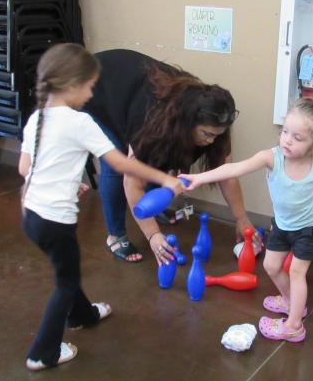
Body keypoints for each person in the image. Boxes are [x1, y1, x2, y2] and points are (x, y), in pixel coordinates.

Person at [19, 43, 184, 371]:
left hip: (32, 216)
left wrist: (68, 183)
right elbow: (121, 164)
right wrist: (164, 180)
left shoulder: (37, 117)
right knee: (65, 283)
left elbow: (26, 168)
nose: (92, 93)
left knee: (68, 268)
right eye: (91, 86)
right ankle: (43, 353)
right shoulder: (80, 122)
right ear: (73, 85)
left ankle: (84, 314)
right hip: (55, 220)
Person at [180, 96, 313, 342]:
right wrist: (199, 178)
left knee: (297, 273)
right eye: (285, 131)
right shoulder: (272, 157)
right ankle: (292, 302)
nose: (287, 140)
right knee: (270, 266)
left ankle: (294, 326)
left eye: (297, 137)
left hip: (310, 229)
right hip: (282, 224)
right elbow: (233, 169)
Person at [83, 49, 256, 264]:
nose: (212, 141)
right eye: (207, 134)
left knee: (160, 158)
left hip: (131, 88)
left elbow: (227, 174)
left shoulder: (214, 118)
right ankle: (116, 235)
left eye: (217, 135)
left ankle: (153, 208)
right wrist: (153, 235)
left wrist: (242, 219)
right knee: (116, 162)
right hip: (98, 87)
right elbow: (132, 181)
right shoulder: (153, 123)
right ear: (188, 123)